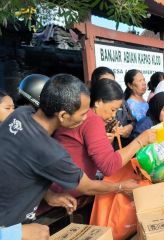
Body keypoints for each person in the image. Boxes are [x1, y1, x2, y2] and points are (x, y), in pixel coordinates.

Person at [0, 74, 141, 227]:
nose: (86, 118)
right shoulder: (51, 153)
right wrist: (120, 187)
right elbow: (87, 186)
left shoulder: (21, 114)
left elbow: (21, 165)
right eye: (82, 114)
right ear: (63, 115)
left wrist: (48, 195)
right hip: (9, 225)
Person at [53, 79, 156, 192]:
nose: (113, 115)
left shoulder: (83, 115)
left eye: (116, 111)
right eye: (112, 109)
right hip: (69, 193)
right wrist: (140, 141)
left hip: (61, 184)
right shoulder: (92, 119)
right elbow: (108, 166)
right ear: (98, 102)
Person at [90, 67, 135, 147]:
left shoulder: (121, 101)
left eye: (112, 82)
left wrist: (130, 127)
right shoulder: (88, 117)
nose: (114, 115)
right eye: (105, 83)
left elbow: (132, 121)